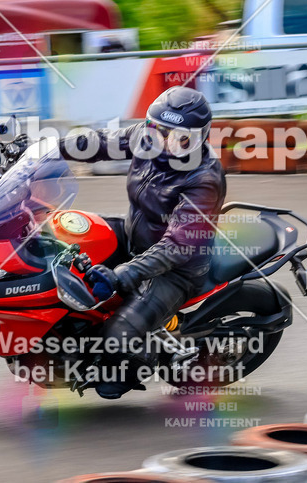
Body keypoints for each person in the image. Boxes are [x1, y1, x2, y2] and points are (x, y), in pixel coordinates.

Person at [57, 86, 227, 398]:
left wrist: (124, 273)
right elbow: (95, 143)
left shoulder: (204, 179)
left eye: (179, 137)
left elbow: (177, 245)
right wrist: (46, 148)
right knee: (62, 236)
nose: (163, 142)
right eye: (157, 131)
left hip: (176, 269)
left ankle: (128, 368)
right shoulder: (148, 139)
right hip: (134, 233)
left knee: (116, 335)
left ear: (200, 138)